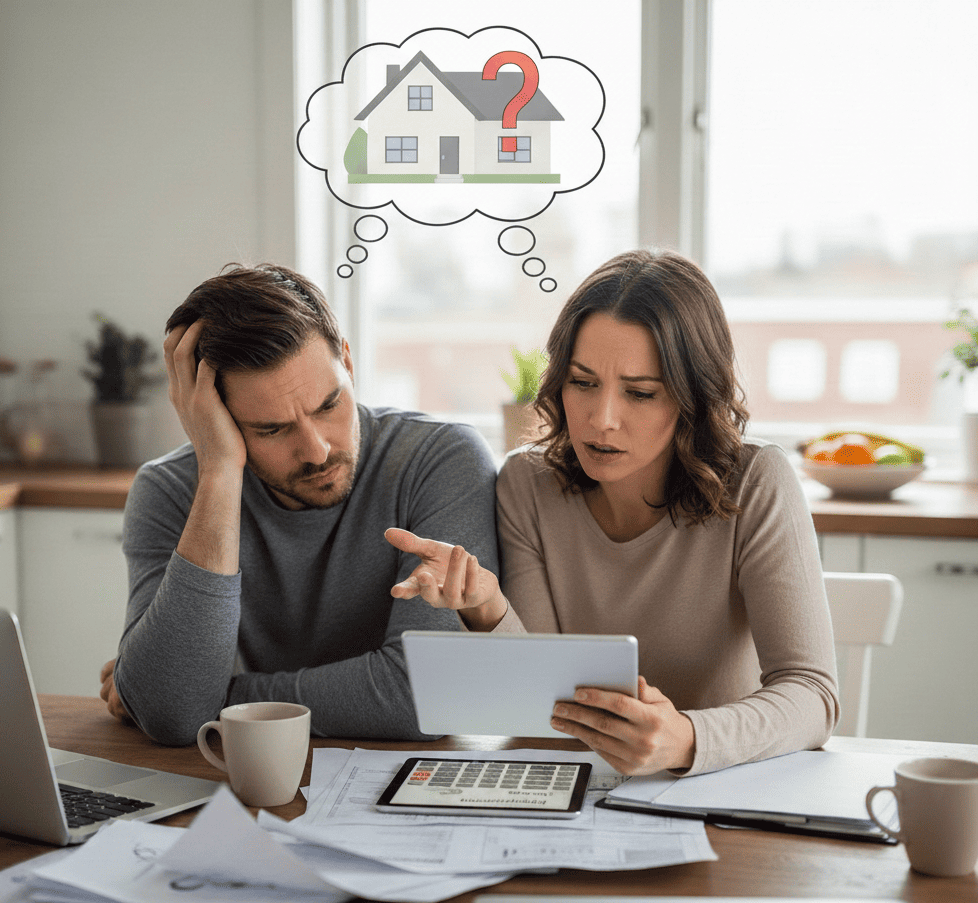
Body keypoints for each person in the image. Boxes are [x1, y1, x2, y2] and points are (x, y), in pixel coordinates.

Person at [387, 249, 839, 777]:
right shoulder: (527, 483)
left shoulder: (757, 480)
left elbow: (813, 695)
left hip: (719, 793)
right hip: (578, 790)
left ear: (693, 395)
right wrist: (486, 607)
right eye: (583, 383)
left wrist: (686, 740)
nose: (601, 421)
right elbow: (543, 705)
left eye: (640, 393)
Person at [99, 263, 498, 746]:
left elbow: (425, 695)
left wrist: (218, 699)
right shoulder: (171, 490)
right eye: (272, 429)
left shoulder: (440, 459)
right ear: (214, 418)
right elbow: (171, 713)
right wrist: (221, 471)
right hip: (250, 781)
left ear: (347, 364)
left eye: (329, 405)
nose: (317, 450)